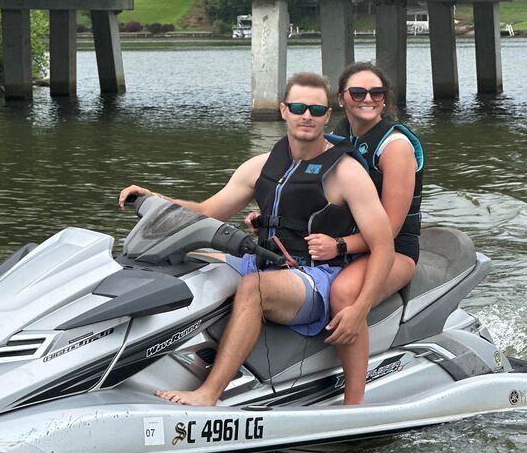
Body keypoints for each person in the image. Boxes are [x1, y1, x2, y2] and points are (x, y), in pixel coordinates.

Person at [117, 72, 394, 407]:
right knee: (191, 264)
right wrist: (154, 199)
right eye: (298, 107)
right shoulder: (260, 167)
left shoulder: (347, 173)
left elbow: (383, 246)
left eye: (317, 110)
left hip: (316, 278)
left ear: (327, 116)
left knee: (254, 288)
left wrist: (358, 309)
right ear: (284, 110)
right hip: (263, 261)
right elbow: (207, 210)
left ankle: (209, 392)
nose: (307, 115)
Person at [305, 61, 424, 404]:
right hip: (347, 243)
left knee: (343, 293)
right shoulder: (338, 137)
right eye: (357, 92)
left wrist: (339, 246)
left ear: (385, 100)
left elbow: (391, 228)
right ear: (342, 98)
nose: (367, 99)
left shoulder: (395, 146)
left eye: (376, 93)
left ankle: (353, 402)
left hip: (395, 250)